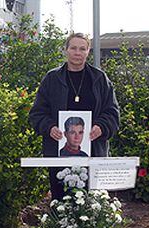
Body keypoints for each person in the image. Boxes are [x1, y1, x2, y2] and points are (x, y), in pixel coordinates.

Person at [29, 32, 119, 200]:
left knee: (92, 205)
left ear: (88, 52)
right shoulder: (52, 78)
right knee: (61, 202)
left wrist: (101, 127)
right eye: (74, 48)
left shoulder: (100, 79)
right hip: (59, 156)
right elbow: (37, 113)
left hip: (93, 153)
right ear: (66, 50)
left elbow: (112, 112)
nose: (78, 52)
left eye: (82, 49)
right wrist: (49, 128)